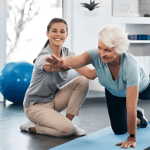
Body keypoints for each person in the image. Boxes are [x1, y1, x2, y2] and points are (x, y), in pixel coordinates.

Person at [45, 24, 149, 148]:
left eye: (108, 50)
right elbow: (77, 60)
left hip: (144, 87)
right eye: (100, 48)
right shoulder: (96, 55)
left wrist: (132, 138)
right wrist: (62, 62)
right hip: (114, 92)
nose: (102, 54)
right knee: (119, 130)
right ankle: (140, 119)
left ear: (119, 49)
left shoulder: (130, 66)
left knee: (133, 110)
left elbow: (131, 107)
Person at [20, 18, 97, 137]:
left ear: (66, 35)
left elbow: (90, 74)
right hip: (35, 106)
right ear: (48, 33)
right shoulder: (44, 55)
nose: (58, 34)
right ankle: (31, 127)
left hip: (52, 100)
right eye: (54, 31)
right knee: (67, 131)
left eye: (62, 32)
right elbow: (49, 67)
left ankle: (68, 123)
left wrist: (109, 65)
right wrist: (60, 67)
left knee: (83, 81)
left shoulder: (68, 54)